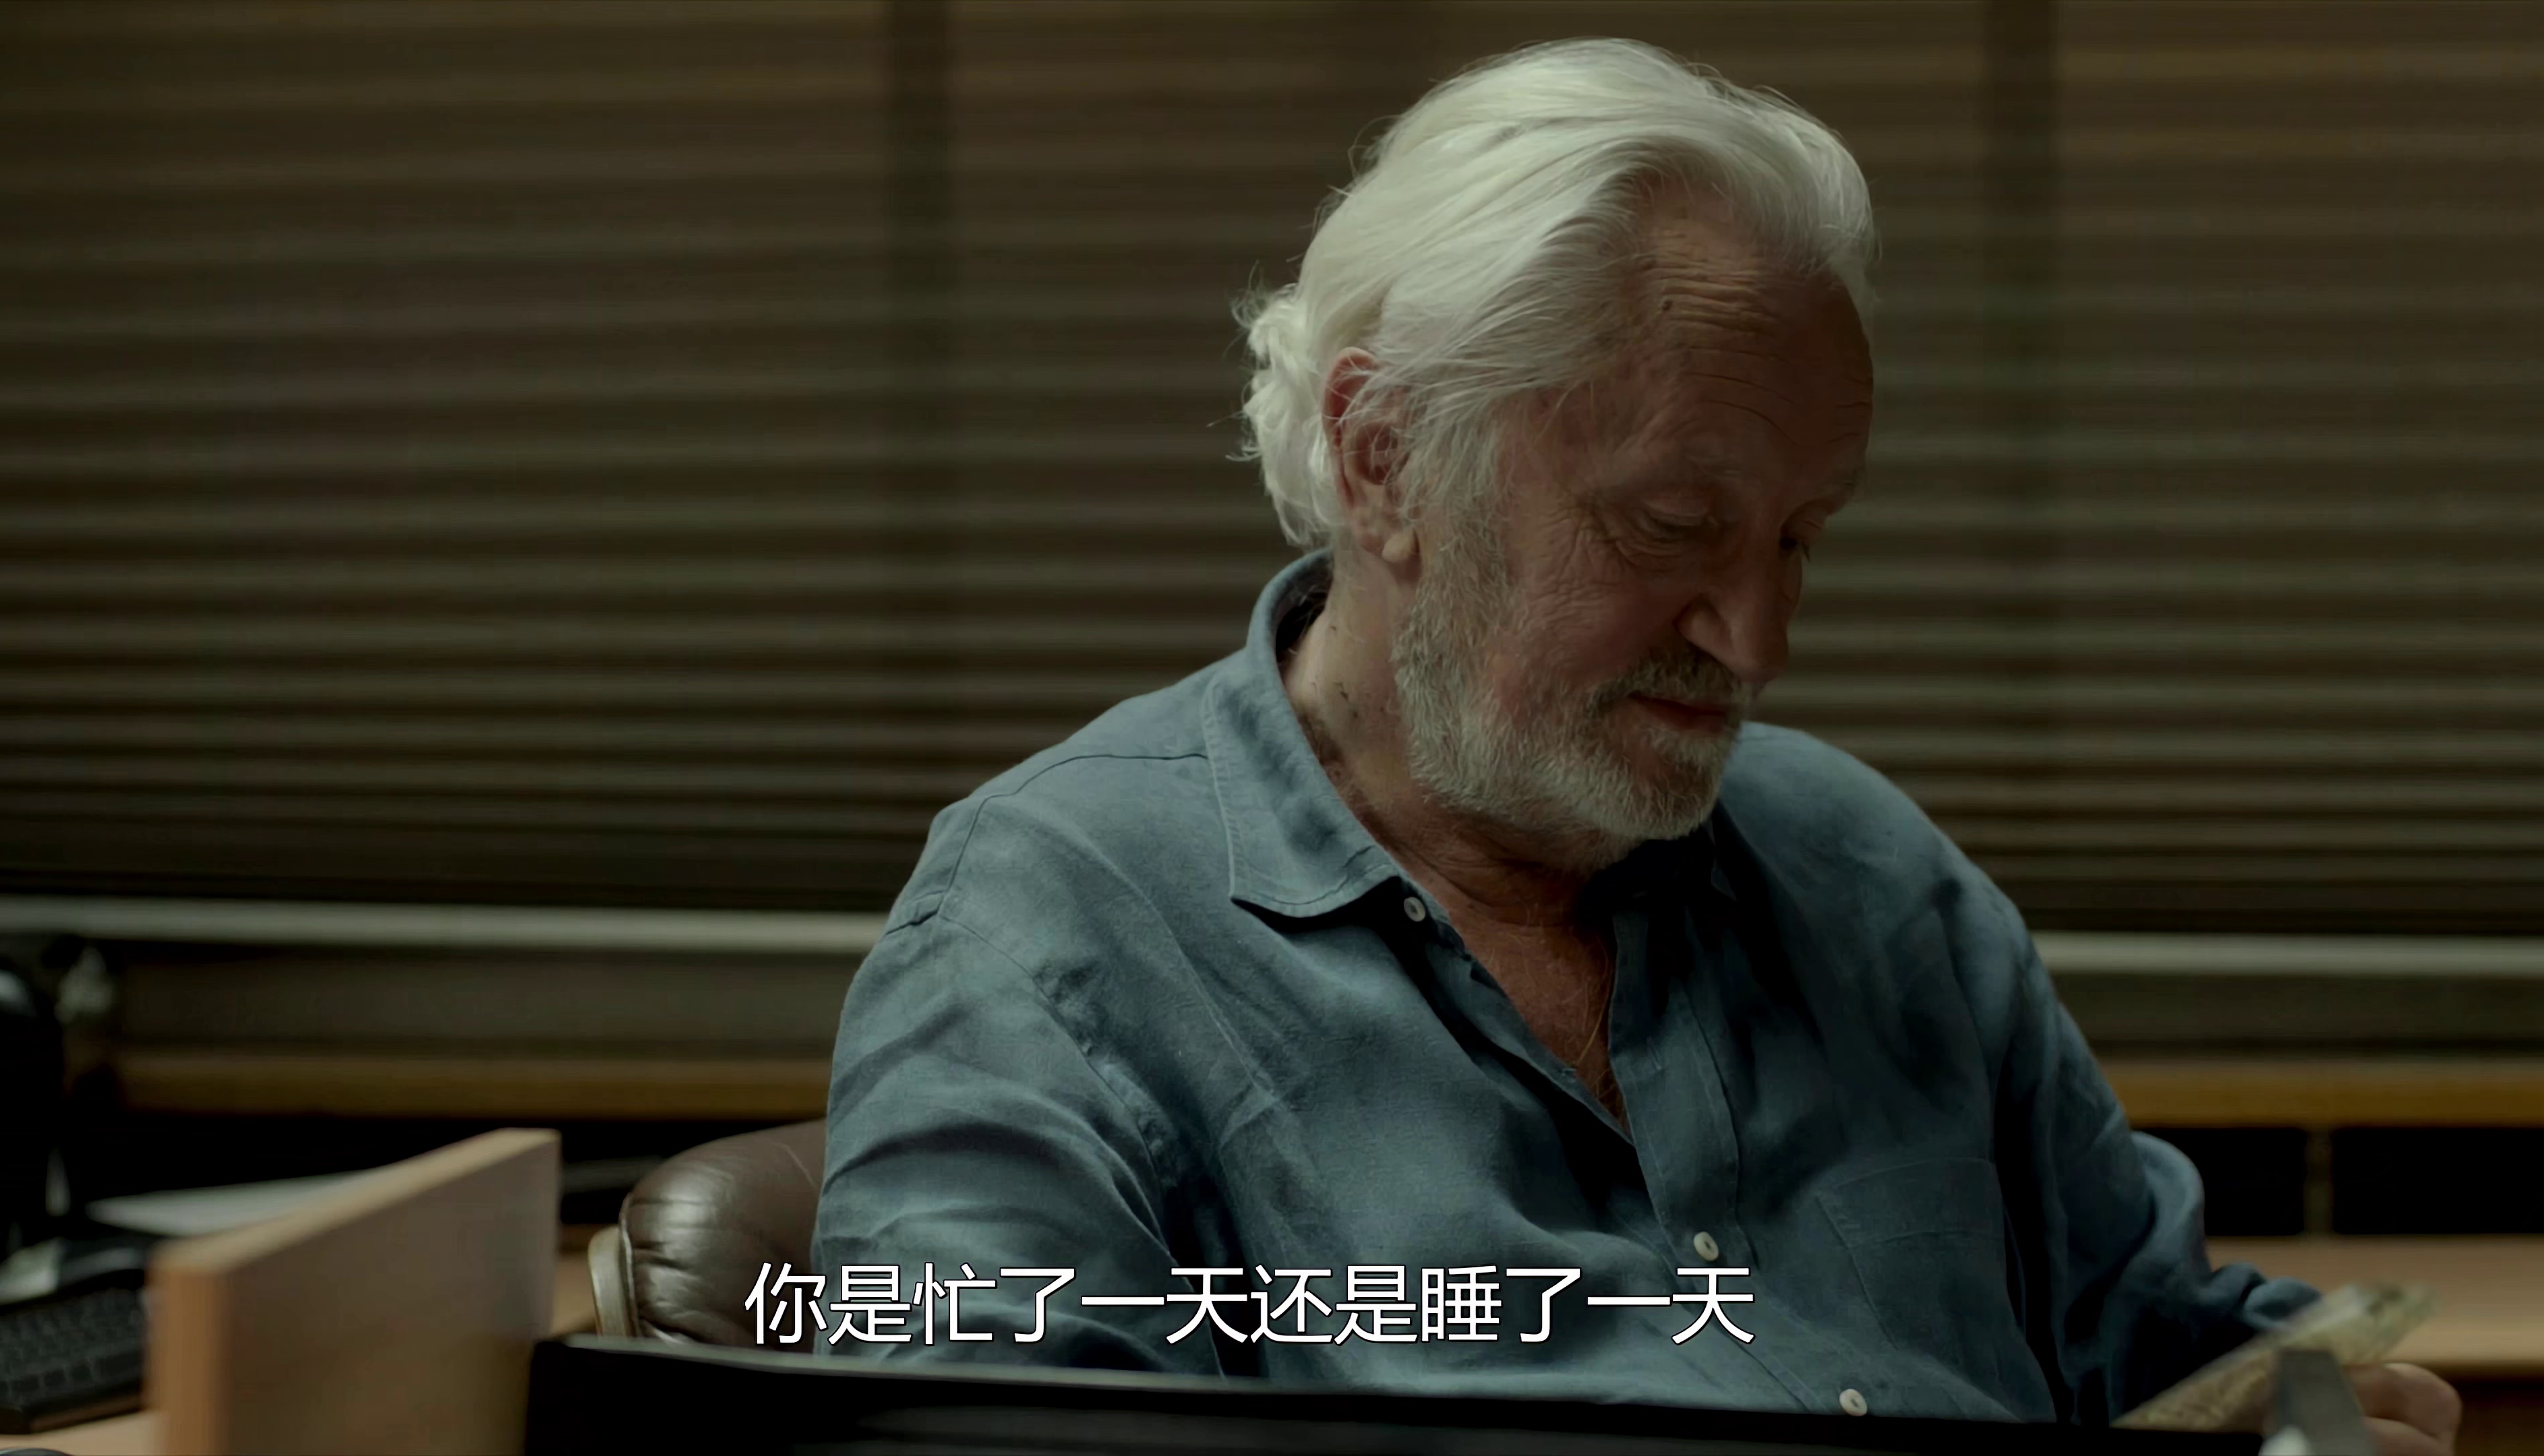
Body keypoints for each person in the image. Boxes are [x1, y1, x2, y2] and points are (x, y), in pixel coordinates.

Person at [814, 37, 2460, 1453]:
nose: (1759, 641)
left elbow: (2177, 1345)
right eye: (1672, 526)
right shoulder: (1047, 938)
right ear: (1387, 457)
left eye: (1800, 539)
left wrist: (2323, 1414)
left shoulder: (1866, 877)